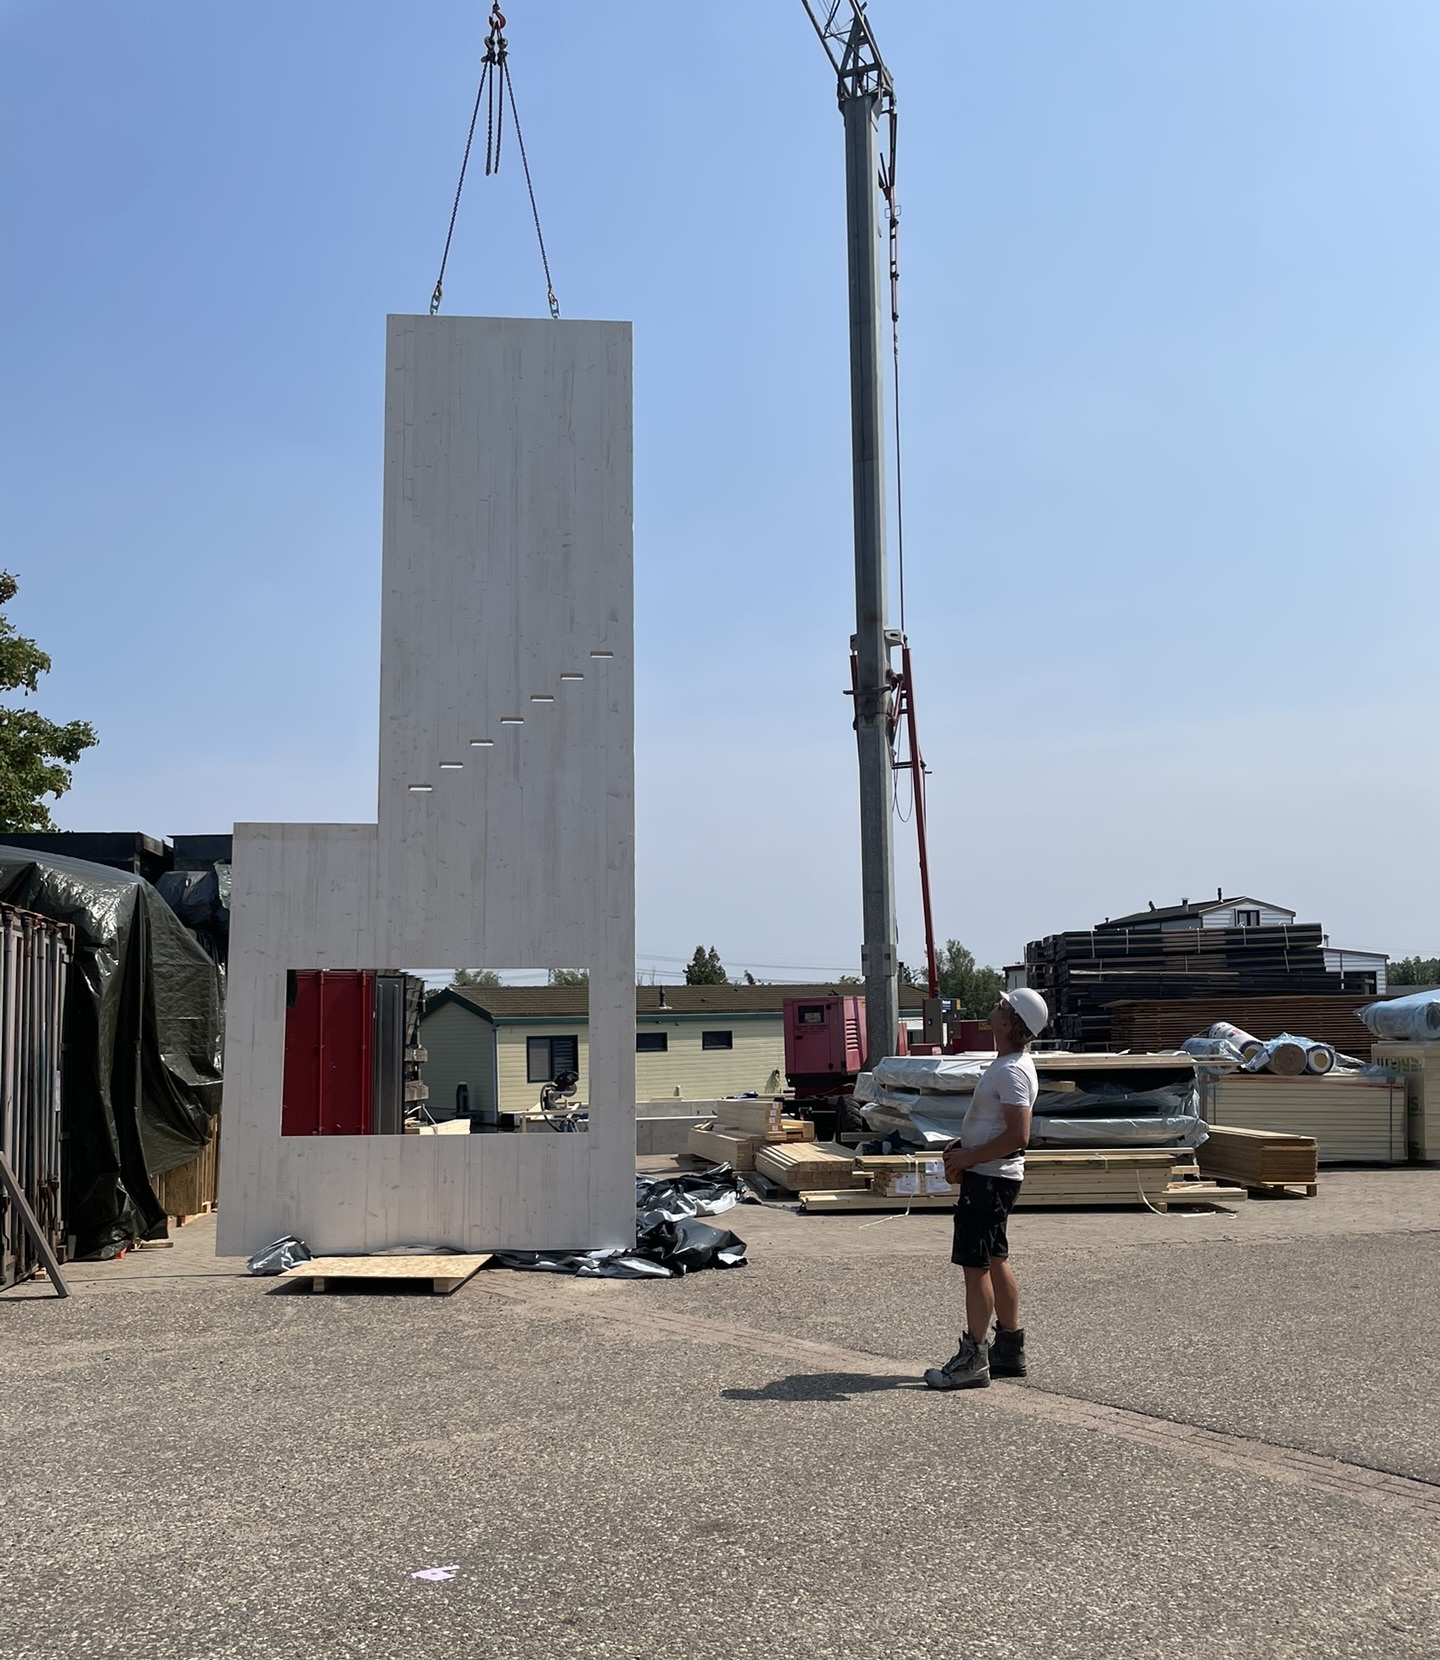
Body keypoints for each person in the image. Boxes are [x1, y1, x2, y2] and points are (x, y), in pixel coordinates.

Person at [923, 987, 1049, 1391]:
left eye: (1001, 1006)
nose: (993, 1009)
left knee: (975, 1266)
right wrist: (966, 1146)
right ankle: (1009, 1350)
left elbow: (1018, 1134)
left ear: (1011, 1022)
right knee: (996, 1257)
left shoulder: (1012, 1070)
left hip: (989, 1180)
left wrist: (969, 1159)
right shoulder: (1011, 1064)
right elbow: (1003, 1129)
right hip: (995, 1177)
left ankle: (973, 1357)